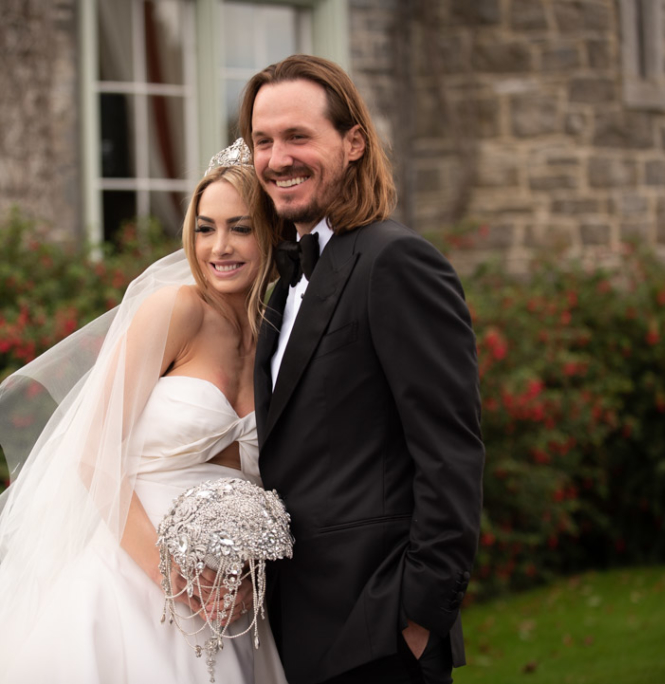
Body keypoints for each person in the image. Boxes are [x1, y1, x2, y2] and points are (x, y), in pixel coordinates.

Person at [0, 150, 288, 684]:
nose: (219, 247)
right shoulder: (176, 309)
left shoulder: (278, 336)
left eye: (240, 228)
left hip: (232, 603)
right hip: (136, 581)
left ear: (270, 232)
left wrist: (243, 577)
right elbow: (94, 452)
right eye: (204, 228)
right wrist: (171, 576)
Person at [238, 54, 486, 684]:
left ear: (353, 142)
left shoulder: (397, 262)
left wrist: (419, 615)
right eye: (262, 141)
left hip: (377, 632)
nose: (276, 159)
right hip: (292, 626)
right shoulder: (279, 282)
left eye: (298, 136)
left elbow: (450, 453)